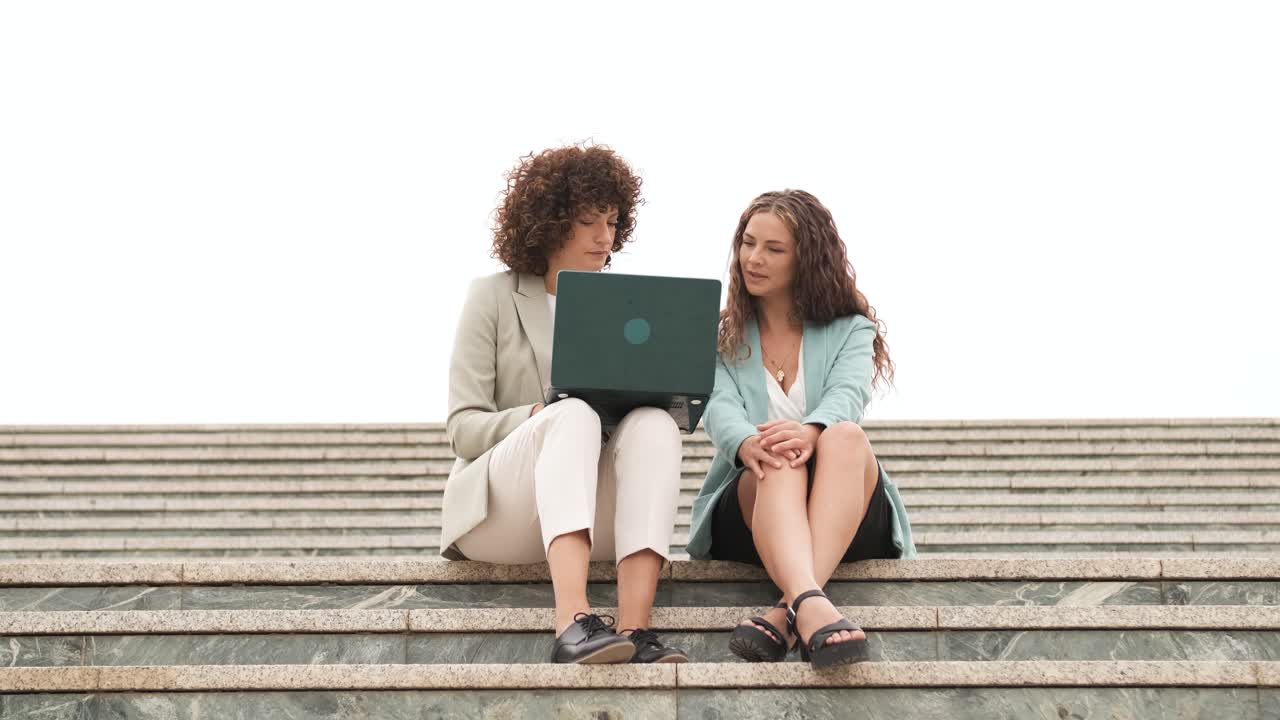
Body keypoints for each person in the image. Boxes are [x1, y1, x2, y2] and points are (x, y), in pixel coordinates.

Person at [441, 144, 687, 664]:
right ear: (549, 224)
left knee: (654, 422)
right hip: (503, 513)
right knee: (571, 411)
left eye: (613, 221)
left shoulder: (625, 310)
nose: (605, 237)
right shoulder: (493, 297)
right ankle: (572, 622)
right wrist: (539, 415)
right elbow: (463, 428)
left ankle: (636, 630)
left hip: (590, 511)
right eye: (588, 221)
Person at [685, 189, 917, 669]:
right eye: (748, 243)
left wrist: (812, 431)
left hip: (844, 505)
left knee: (845, 436)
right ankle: (811, 602)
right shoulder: (718, 336)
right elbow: (719, 406)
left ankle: (790, 609)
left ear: (805, 258)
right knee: (776, 453)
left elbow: (848, 395)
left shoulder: (850, 328)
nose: (754, 258)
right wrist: (746, 441)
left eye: (773, 249)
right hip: (754, 499)